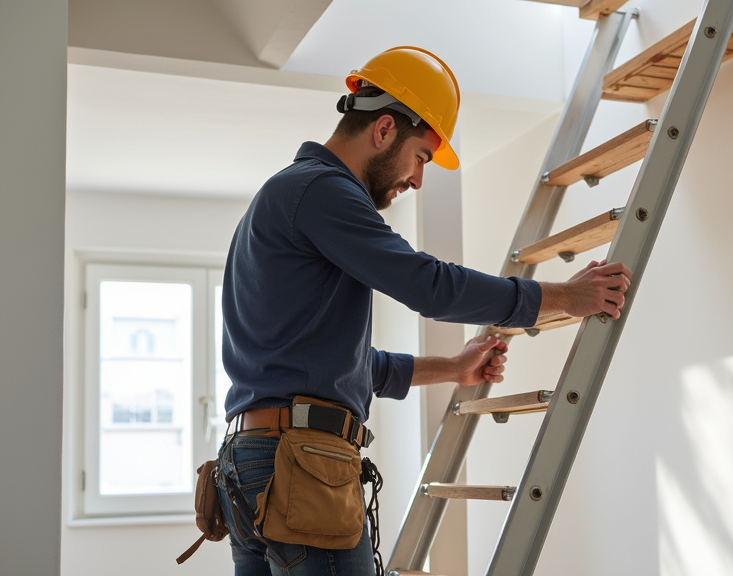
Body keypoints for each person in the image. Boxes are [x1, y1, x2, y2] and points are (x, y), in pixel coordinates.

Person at [216, 46, 632, 576]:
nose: (416, 180)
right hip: (298, 465)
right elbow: (429, 285)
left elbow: (353, 367)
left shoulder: (286, 198)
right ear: (385, 129)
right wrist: (562, 297)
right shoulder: (322, 191)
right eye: (421, 157)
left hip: (253, 465)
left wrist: (454, 369)